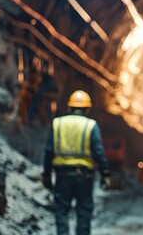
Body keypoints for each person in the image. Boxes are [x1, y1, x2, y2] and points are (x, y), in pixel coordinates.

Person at [41, 90, 111, 235]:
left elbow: (49, 151)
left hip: (62, 175)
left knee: (61, 211)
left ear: (69, 107)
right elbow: (98, 151)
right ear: (87, 109)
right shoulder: (91, 125)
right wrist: (105, 173)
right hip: (84, 176)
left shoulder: (57, 123)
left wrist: (47, 174)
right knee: (83, 211)